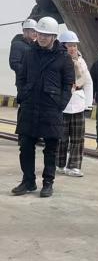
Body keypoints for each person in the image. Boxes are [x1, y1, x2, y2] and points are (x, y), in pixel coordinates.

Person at [12, 16, 74, 198]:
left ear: (54, 36)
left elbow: (68, 84)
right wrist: (23, 94)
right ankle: (28, 181)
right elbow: (21, 76)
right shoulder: (29, 53)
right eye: (39, 34)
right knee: (25, 146)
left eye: (46, 35)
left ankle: (48, 183)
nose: (42, 37)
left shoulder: (64, 57)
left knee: (51, 148)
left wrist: (60, 104)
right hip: (30, 105)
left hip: (51, 108)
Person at [57, 30, 93, 177]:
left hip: (78, 103)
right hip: (62, 105)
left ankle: (74, 166)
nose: (72, 48)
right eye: (69, 45)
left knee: (78, 138)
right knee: (61, 137)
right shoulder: (57, 61)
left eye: (74, 45)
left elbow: (88, 82)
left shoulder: (81, 62)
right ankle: (59, 164)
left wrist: (88, 105)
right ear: (62, 46)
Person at [8, 18, 37, 85]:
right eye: (33, 31)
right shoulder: (17, 44)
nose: (35, 33)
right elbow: (14, 64)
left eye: (36, 31)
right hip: (23, 82)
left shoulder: (33, 45)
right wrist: (29, 72)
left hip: (33, 81)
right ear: (25, 31)